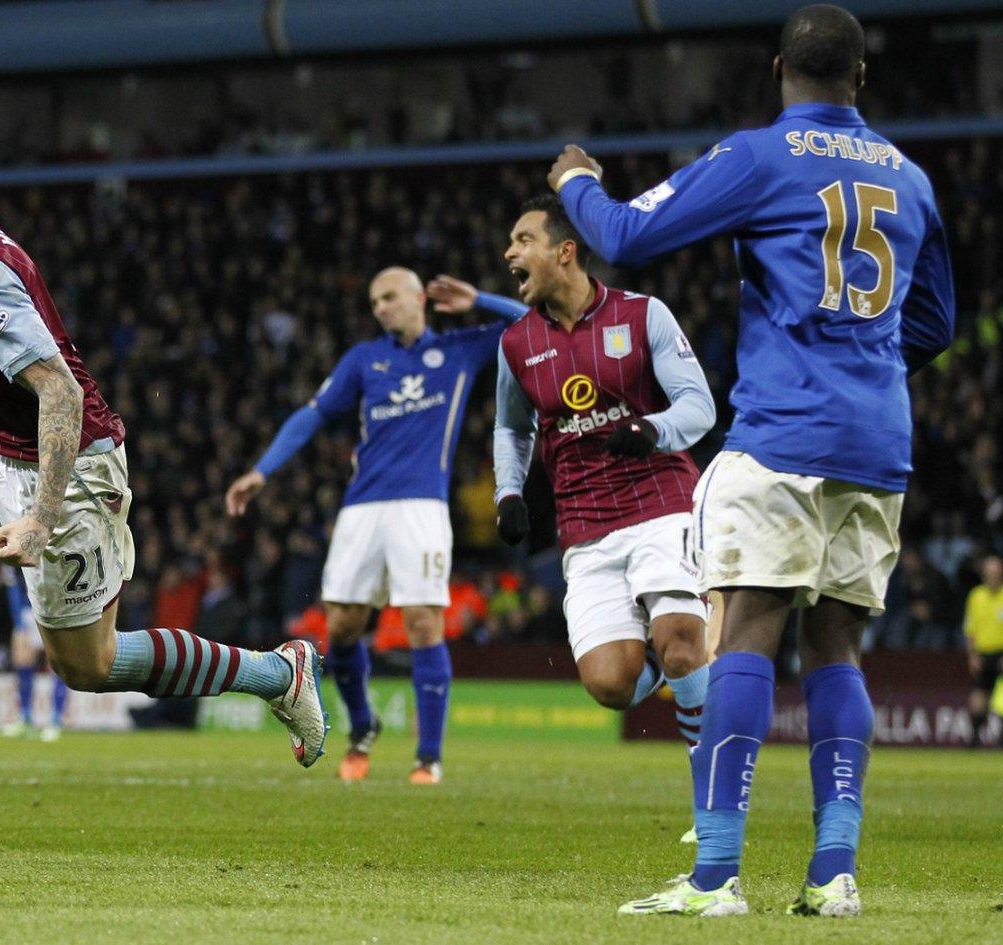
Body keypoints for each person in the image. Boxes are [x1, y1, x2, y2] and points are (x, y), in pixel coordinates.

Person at [0, 122, 328, 867]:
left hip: (70, 467)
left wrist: (41, 517)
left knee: (87, 665)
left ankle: (277, 672)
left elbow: (60, 390)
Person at [550, 4, 956, 917]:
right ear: (862, 78)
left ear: (780, 69)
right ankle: (834, 872)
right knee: (840, 646)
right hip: (879, 442)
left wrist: (576, 181)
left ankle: (716, 877)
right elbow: (934, 324)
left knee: (745, 634)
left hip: (783, 436)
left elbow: (622, 237)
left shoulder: (763, 155)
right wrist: (867, 370)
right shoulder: (912, 178)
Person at [225, 266, 524, 784]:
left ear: (419, 297)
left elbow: (528, 322)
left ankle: (427, 757)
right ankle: (363, 726)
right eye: (374, 301)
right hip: (362, 507)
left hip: (422, 507)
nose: (381, 307)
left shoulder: (460, 349)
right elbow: (312, 415)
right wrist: (261, 470)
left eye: (389, 297)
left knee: (423, 624)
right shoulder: (365, 359)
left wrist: (479, 298)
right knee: (340, 626)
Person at [486, 193, 715, 822]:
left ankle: (714, 799)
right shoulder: (516, 344)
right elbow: (512, 429)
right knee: (612, 685)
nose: (510, 253)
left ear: (565, 251)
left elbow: (700, 405)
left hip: (662, 498)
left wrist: (652, 430)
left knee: (680, 642)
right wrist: (509, 492)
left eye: (522, 239)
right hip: (585, 525)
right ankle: (670, 657)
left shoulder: (644, 316)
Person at [0, 565, 69, 741]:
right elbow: (12, 585)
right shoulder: (12, 547)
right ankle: (25, 717)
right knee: (23, 664)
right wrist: (19, 622)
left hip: (53, 610)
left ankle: (55, 721)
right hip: (26, 612)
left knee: (58, 667)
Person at [964, 555, 1003, 747]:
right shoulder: (976, 596)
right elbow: (970, 629)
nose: (993, 576)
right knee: (979, 694)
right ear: (984, 575)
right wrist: (973, 656)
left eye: (996, 572)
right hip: (983, 653)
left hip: (1001, 653)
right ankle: (974, 737)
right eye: (990, 573)